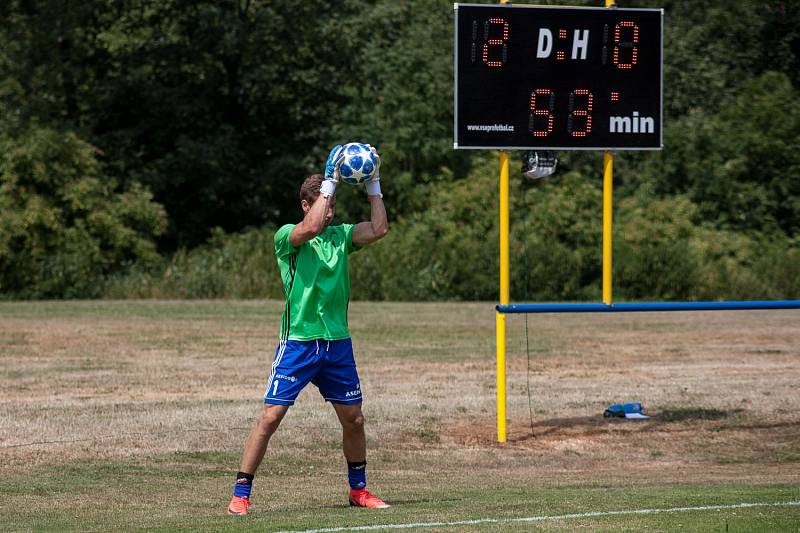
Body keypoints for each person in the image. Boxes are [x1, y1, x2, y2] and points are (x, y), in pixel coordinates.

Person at [226, 145, 390, 516]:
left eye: (333, 204)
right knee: (271, 417)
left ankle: (358, 491)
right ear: (306, 204)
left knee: (354, 418)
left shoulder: (342, 236)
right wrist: (331, 180)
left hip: (337, 344)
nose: (331, 211)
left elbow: (379, 228)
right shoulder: (288, 235)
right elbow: (312, 226)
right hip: (298, 342)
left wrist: (373, 183)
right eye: (325, 203)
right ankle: (241, 493)